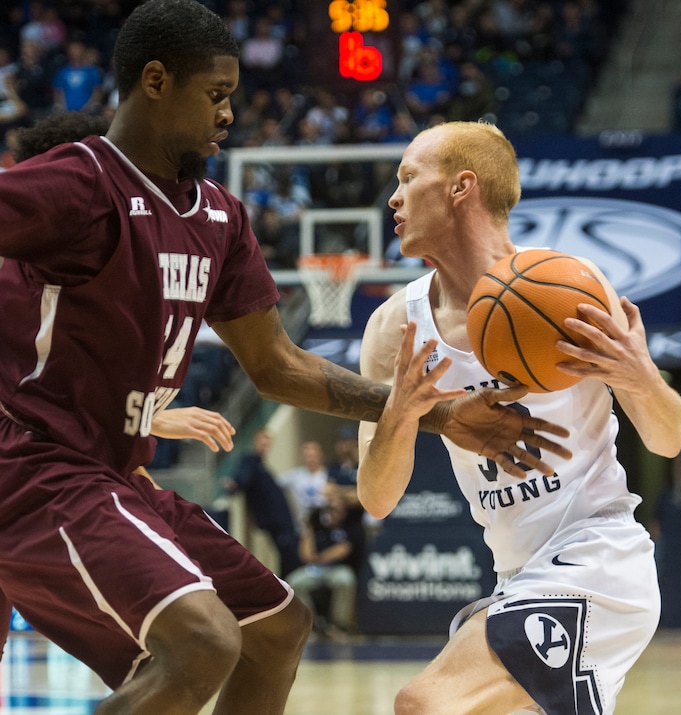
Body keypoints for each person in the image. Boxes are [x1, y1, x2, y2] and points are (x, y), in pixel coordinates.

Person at [0, 0, 570, 710]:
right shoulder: (80, 183)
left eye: (232, 97)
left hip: (115, 472)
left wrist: (442, 413)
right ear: (154, 82)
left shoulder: (217, 216)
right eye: (215, 95)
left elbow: (279, 365)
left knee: (278, 626)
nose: (229, 115)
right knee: (204, 640)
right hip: (38, 470)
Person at [356, 120, 681, 715]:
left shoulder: (567, 292)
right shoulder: (394, 328)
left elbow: (667, 440)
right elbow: (376, 498)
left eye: (409, 178)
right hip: (517, 576)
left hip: (600, 554)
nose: (394, 197)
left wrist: (638, 375)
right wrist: (403, 413)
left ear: (461, 187)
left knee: (424, 703)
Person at [223, 428, 302, 578]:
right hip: (274, 522)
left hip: (282, 522)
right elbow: (242, 479)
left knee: (290, 557)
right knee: (290, 557)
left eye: (267, 442)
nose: (264, 445)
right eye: (261, 441)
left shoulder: (262, 466)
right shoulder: (250, 461)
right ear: (255, 442)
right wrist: (234, 485)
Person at [285, 492, 363, 636]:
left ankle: (339, 625)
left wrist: (319, 558)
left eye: (338, 509)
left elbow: (342, 549)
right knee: (294, 581)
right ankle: (311, 624)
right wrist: (308, 528)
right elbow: (306, 556)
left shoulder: (348, 528)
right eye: (331, 509)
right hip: (315, 570)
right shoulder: (317, 527)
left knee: (345, 580)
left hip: (337, 568)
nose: (334, 513)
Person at [277, 440, 330, 532]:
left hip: (326, 527)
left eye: (313, 456)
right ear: (302, 458)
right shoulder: (295, 476)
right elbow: (275, 485)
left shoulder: (328, 475)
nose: (311, 459)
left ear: (320, 456)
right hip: (302, 528)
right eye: (308, 456)